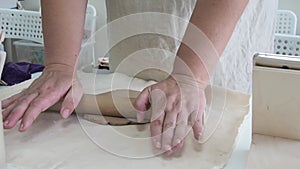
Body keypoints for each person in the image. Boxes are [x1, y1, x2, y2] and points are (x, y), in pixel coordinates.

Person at [2, 0, 249, 155]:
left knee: (218, 133)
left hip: (216, 47)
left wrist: (190, 76)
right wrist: (60, 64)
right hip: (129, 58)